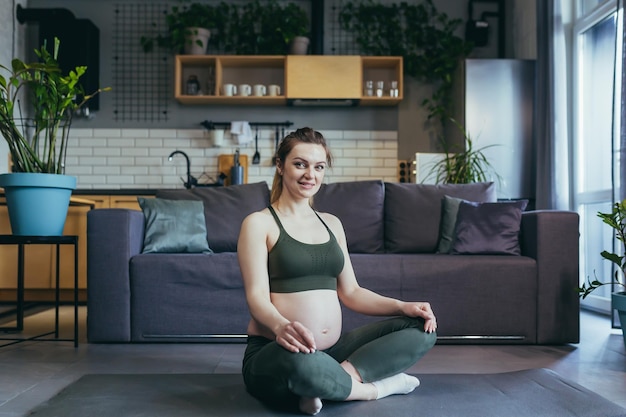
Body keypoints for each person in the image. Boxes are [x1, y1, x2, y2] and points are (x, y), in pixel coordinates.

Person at [238, 127, 437, 415]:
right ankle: (373, 389)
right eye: (300, 164)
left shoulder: (332, 223)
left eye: (318, 167)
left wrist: (403, 306)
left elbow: (352, 292)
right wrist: (282, 327)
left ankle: (326, 382)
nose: (310, 175)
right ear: (280, 166)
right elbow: (256, 298)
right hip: (278, 351)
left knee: (421, 328)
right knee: (301, 362)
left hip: (333, 353)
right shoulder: (259, 223)